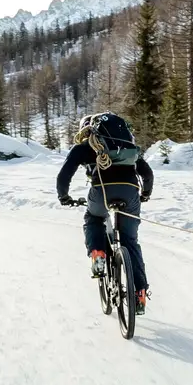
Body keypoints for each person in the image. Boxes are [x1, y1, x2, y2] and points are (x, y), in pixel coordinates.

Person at [58, 112, 154, 311]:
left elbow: (64, 174)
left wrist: (64, 196)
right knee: (130, 241)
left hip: (101, 190)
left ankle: (99, 254)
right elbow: (147, 173)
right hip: (130, 192)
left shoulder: (85, 147)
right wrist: (144, 194)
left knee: (93, 218)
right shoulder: (125, 146)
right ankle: (140, 294)